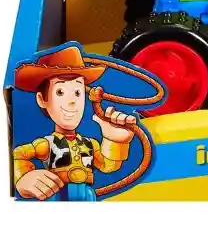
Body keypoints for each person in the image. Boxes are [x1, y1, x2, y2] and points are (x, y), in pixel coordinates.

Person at [13, 45, 135, 201]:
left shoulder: (90, 144)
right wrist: (24, 177)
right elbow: (18, 155)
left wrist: (115, 141)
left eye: (78, 93)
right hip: (57, 196)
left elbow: (108, 166)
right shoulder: (46, 144)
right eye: (60, 92)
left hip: (87, 195)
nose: (72, 101)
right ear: (42, 99)